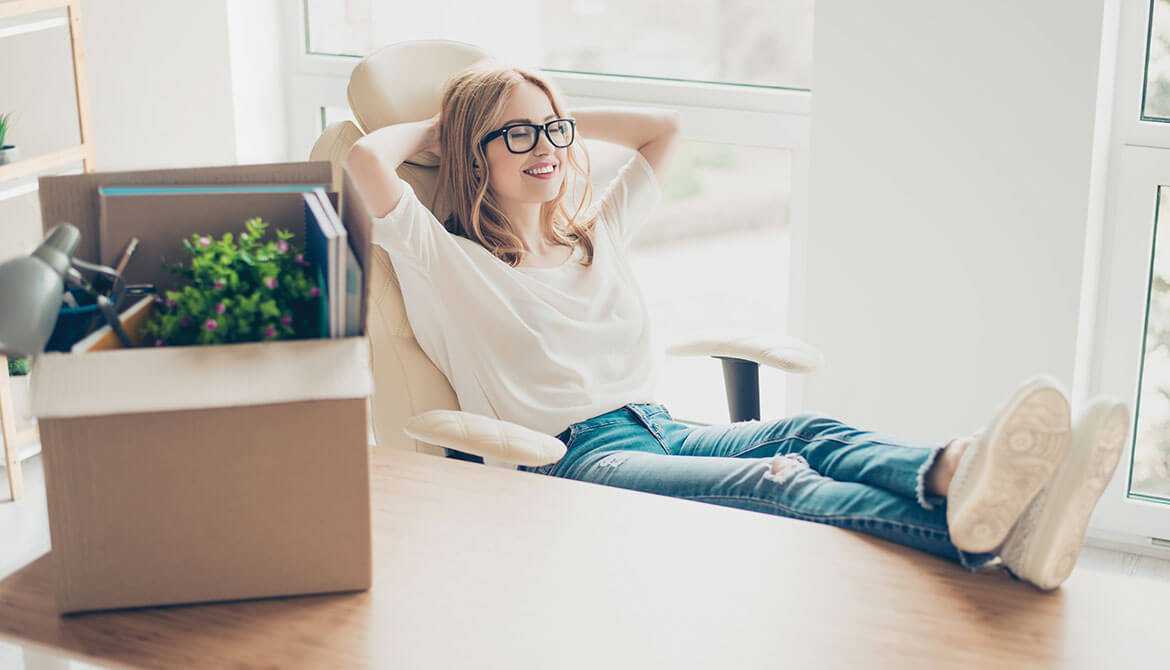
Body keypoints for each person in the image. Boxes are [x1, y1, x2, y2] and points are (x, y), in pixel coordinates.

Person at [346, 62, 1129, 591]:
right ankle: (988, 536)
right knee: (774, 477)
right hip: (570, 459)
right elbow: (363, 159)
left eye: (554, 131)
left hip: (658, 427)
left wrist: (540, 106)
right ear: (471, 155)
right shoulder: (443, 257)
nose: (545, 148)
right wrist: (443, 121)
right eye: (515, 135)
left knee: (812, 434)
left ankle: (962, 473)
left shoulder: (595, 233)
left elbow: (662, 129)